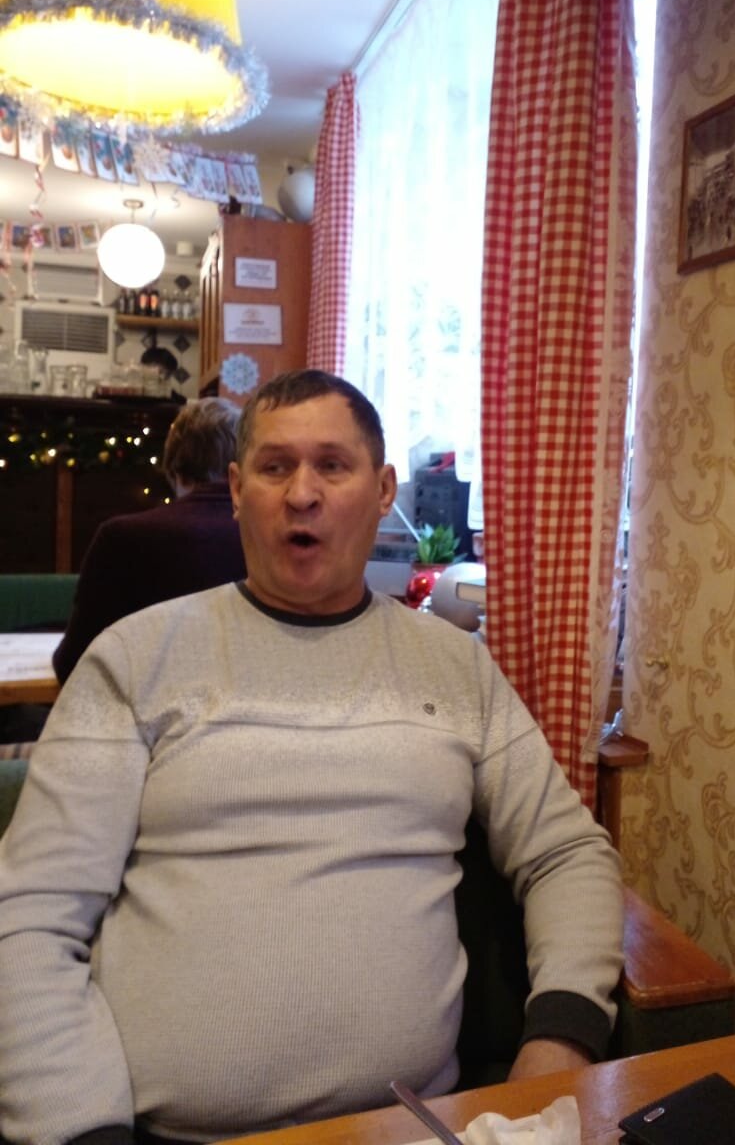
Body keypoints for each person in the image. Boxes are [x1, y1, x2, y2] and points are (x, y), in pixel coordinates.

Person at [0, 369, 623, 1145]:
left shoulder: (456, 667)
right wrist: (80, 1129)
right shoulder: (132, 659)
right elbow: (30, 914)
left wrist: (560, 1043)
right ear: (237, 490)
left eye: (332, 465)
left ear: (383, 490)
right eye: (275, 467)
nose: (302, 493)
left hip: (417, 1130)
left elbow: (566, 853)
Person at [52, 397, 246, 684]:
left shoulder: (121, 537)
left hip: (147, 710)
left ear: (175, 469)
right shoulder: (271, 537)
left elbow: (73, 664)